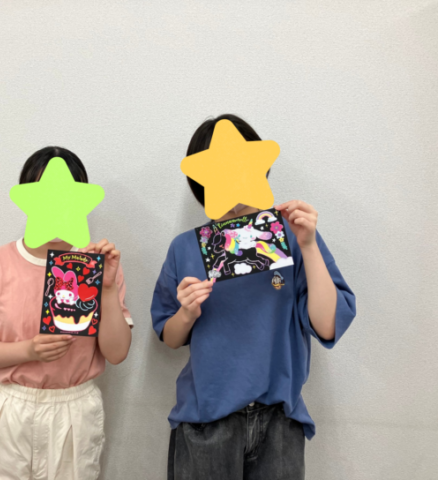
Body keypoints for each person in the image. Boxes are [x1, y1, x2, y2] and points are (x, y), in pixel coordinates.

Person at [151, 114, 356, 480]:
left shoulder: (292, 236)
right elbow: (169, 337)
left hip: (279, 420)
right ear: (200, 183)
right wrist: (186, 313)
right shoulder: (185, 248)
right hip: (206, 420)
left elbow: (327, 326)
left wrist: (308, 245)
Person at [0, 146, 133, 480]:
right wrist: (29, 350)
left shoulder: (95, 265)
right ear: (26, 198)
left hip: (74, 409)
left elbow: (117, 353)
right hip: (9, 407)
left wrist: (107, 287)